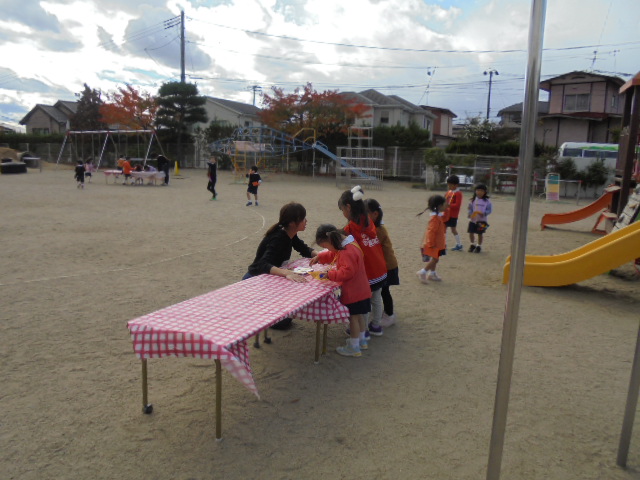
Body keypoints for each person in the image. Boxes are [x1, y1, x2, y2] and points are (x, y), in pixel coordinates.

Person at [243, 202, 320, 329]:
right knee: (283, 322)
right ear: (292, 223)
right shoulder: (278, 237)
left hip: (269, 279)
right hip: (255, 280)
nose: (306, 221)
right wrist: (287, 273)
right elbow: (262, 264)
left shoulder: (290, 234)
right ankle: (256, 311)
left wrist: (321, 255)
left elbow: (304, 249)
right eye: (303, 218)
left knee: (286, 318)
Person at [311, 224, 371, 357]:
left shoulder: (346, 251)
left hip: (354, 292)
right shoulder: (349, 244)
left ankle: (354, 347)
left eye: (326, 246)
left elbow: (347, 273)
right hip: (362, 289)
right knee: (359, 315)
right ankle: (362, 340)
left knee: (353, 318)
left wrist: (329, 274)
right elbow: (334, 253)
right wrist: (320, 256)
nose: (327, 249)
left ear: (331, 240)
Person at [338, 185, 387, 337]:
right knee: (376, 299)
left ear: (348, 207)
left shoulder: (350, 228)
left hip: (368, 273)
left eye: (342, 210)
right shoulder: (369, 221)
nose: (343, 213)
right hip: (380, 269)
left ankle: (363, 331)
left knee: (363, 302)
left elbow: (345, 248)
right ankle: (376, 326)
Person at [366, 198, 399, 328]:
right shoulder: (375, 227)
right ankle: (380, 312)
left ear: (375, 214)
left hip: (387, 266)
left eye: (366, 213)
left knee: (384, 291)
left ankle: (390, 315)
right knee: (380, 291)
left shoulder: (378, 230)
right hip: (383, 265)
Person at [416, 194, 450, 284]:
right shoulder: (435, 219)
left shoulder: (438, 216)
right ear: (439, 206)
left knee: (436, 258)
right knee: (435, 259)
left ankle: (432, 273)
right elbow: (431, 232)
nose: (446, 206)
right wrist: (430, 243)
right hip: (434, 244)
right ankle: (423, 272)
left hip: (438, 243)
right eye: (444, 204)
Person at [467, 183, 492, 253]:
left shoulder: (487, 201)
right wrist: (470, 214)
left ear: (485, 192)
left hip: (482, 220)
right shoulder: (473, 200)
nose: (479, 192)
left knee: (480, 233)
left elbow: (489, 210)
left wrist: (484, 213)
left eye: (481, 190)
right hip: (473, 220)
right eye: (478, 190)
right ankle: (472, 244)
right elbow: (470, 208)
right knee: (471, 232)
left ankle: (478, 246)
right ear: (475, 191)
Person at [445, 175, 464, 251]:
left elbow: (457, 205)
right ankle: (443, 244)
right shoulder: (449, 192)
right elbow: (444, 200)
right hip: (446, 214)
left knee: (453, 230)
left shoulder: (458, 193)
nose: (449, 186)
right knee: (444, 229)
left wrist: (448, 205)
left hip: (453, 215)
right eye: (448, 185)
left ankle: (459, 244)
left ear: (456, 185)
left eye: (450, 185)